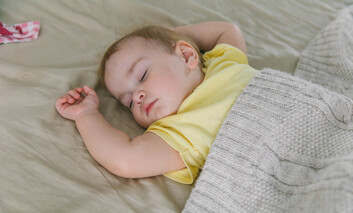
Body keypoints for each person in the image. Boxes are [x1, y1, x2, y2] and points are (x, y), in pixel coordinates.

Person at [55, 21, 258, 184]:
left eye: (142, 75)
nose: (136, 97)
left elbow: (227, 30)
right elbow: (124, 159)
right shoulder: (177, 133)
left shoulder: (224, 62)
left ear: (187, 56)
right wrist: (86, 115)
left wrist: (171, 32)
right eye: (128, 102)